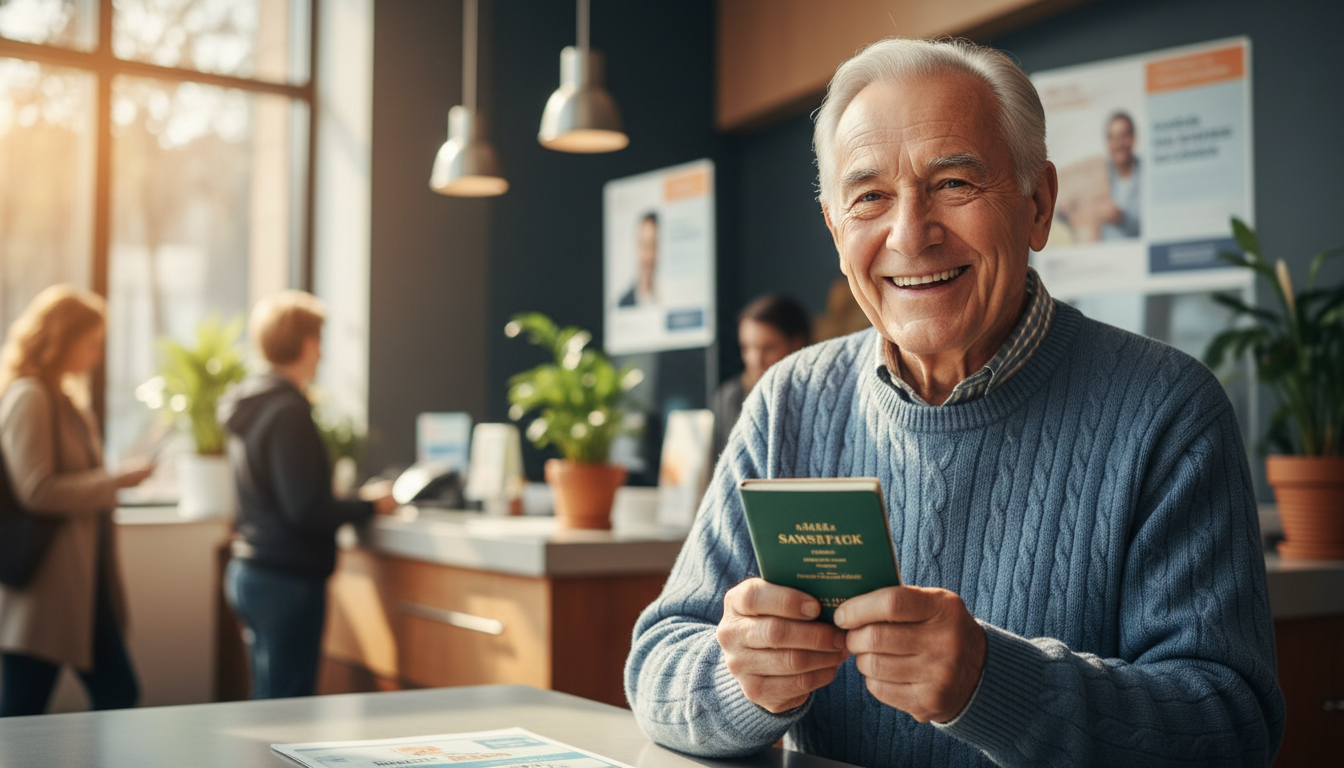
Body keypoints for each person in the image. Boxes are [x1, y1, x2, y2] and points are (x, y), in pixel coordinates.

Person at [624, 37, 1284, 767]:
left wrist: (993, 684)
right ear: (835, 228)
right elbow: (658, 666)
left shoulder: (1169, 411)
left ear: (1038, 206)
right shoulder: (790, 401)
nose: (910, 234)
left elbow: (1231, 725)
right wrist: (740, 681)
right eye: (870, 197)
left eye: (954, 184)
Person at [219, 290, 396, 700]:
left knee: (267, 704)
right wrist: (369, 504)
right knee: (286, 709)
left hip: (252, 569)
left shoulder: (252, 403)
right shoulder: (289, 411)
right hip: (287, 579)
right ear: (309, 343)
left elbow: (278, 491)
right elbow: (304, 509)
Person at [0, 286, 154, 716]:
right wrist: (117, 480)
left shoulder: (65, 401)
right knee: (21, 715)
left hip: (83, 586)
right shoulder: (30, 397)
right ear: (62, 340)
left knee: (115, 696)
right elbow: (37, 490)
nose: (96, 355)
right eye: (92, 343)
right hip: (43, 589)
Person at [711, 294, 810, 457]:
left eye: (769, 348)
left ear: (797, 343)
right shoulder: (730, 397)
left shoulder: (818, 394)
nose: (755, 360)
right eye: (747, 347)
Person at [1101, 110, 1141, 240]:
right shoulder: (1101, 176)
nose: (1118, 143)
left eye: (1123, 136)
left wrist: (1122, 219)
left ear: (1133, 138)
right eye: (1113, 137)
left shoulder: (1147, 175)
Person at [617, 212, 660, 307]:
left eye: (653, 245)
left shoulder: (666, 297)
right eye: (643, 245)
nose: (648, 255)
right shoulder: (623, 303)